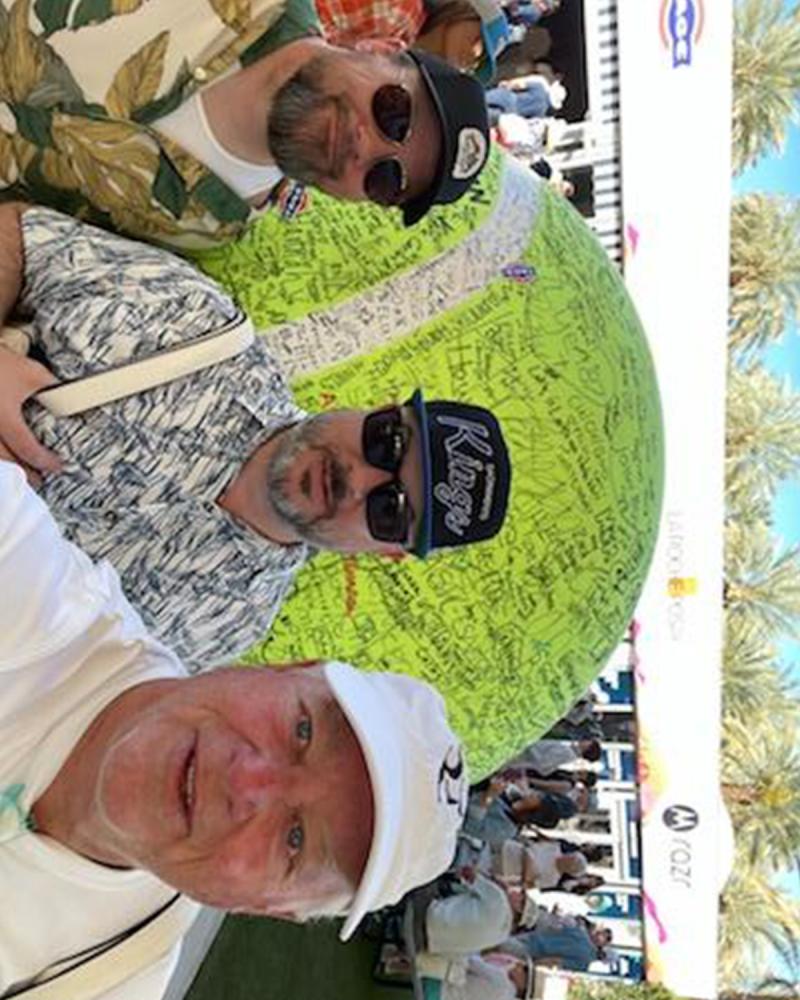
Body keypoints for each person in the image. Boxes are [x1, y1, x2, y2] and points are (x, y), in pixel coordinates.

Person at [0, 459, 468, 999]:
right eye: (302, 732)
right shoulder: (28, 585)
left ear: (275, 909)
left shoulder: (109, 980)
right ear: (288, 668)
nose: (247, 783)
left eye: (295, 841)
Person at [0, 205, 511, 668]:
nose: (357, 480)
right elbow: (22, 236)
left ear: (386, 552)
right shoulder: (195, 323)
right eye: (387, 443)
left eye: (389, 510)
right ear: (380, 409)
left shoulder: (222, 625)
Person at [0, 0, 490, 248]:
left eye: (386, 178)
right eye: (395, 114)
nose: (367, 148)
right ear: (380, 49)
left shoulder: (206, 226)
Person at [316, 0, 512, 83]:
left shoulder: (403, 59)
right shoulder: (397, 12)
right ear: (464, 10)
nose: (472, 58)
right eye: (479, 41)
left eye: (476, 65)